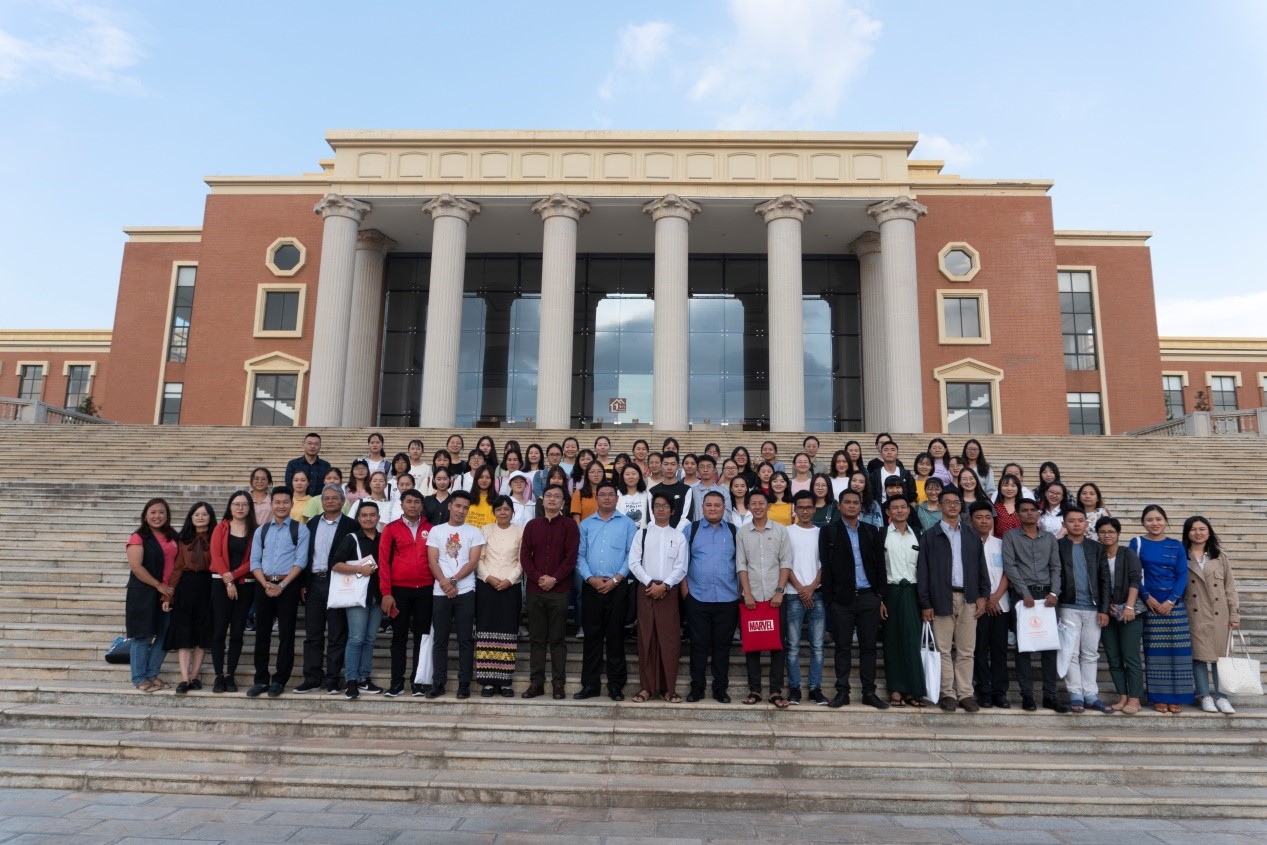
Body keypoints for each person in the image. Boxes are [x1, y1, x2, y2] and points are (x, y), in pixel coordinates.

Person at [916, 486, 989, 713]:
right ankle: (947, 693)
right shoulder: (930, 536)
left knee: (967, 650)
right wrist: (925, 603)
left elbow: (981, 568)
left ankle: (965, 693)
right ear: (940, 506)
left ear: (961, 506)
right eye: (947, 502)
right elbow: (923, 572)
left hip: (969, 599)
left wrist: (983, 596)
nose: (952, 506)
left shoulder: (971, 535)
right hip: (941, 599)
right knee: (943, 649)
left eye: (956, 502)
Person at [820, 488, 888, 709]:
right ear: (839, 506)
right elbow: (826, 567)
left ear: (860, 506)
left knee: (869, 647)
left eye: (855, 502)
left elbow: (880, 566)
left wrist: (879, 595)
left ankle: (869, 691)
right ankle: (842, 692)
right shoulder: (829, 532)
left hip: (868, 597)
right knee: (842, 647)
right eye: (847, 502)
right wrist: (831, 599)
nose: (851, 506)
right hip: (842, 600)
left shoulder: (871, 531)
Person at [1002, 498, 1067, 713]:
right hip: (1023, 596)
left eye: (1033, 510)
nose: (1029, 513)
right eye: (1024, 510)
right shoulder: (1010, 536)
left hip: (1048, 596)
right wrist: (1025, 593)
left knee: (1049, 646)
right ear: (1017, 514)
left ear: (1039, 514)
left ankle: (1050, 695)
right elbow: (1010, 566)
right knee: (1024, 647)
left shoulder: (1049, 538)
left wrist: (1054, 592)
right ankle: (1027, 696)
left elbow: (1056, 567)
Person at [575, 480, 638, 701]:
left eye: (611, 494)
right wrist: (590, 579)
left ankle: (615, 685)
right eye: (603, 494)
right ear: (596, 498)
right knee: (591, 637)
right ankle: (590, 685)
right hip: (591, 587)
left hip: (617, 587)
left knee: (615, 637)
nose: (607, 498)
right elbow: (579, 555)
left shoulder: (628, 524)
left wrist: (616, 579)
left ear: (617, 498)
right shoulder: (586, 525)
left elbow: (632, 555)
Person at [247, 486, 310, 698]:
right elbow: (254, 561)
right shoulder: (261, 530)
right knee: (261, 633)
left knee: (286, 634)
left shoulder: (301, 530)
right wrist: (265, 584)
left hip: (288, 585)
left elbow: (300, 561)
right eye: (277, 502)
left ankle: (280, 679)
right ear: (271, 504)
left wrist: (282, 586)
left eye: (285, 502)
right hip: (263, 584)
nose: (281, 506)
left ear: (291, 504)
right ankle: (261, 679)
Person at [294, 483, 356, 694]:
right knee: (313, 634)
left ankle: (332, 679)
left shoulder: (351, 525)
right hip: (313, 584)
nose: (330, 501)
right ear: (321, 502)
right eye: (326, 498)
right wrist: (303, 583)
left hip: (338, 584)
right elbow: (304, 555)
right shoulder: (311, 524)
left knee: (337, 634)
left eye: (334, 498)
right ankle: (312, 677)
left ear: (342, 501)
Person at [628, 490, 688, 703]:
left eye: (665, 506)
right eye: (657, 506)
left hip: (669, 592)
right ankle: (646, 688)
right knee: (647, 638)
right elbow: (633, 562)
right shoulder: (642, 534)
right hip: (646, 590)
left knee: (669, 640)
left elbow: (681, 567)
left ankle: (668, 688)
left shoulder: (678, 536)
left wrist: (665, 585)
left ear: (672, 511)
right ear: (652, 510)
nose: (661, 509)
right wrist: (649, 583)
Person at [520, 485, 579, 700]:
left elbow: (571, 558)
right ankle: (536, 682)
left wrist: (554, 578)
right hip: (535, 590)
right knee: (537, 639)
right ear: (542, 500)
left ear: (563, 502)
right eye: (549, 496)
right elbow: (524, 556)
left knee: (557, 639)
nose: (552, 499)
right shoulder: (532, 525)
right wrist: (539, 578)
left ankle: (558, 683)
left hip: (559, 590)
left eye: (557, 496)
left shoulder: (569, 525)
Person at [424, 490, 484, 699]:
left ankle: (464, 683)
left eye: (465, 507)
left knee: (465, 639)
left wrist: (454, 581)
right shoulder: (436, 531)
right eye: (458, 506)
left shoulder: (474, 532)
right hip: (440, 591)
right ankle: (438, 682)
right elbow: (432, 560)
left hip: (465, 590)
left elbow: (473, 562)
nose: (461, 510)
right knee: (440, 639)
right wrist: (445, 582)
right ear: (449, 506)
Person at [736, 488, 791, 708]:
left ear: (768, 506)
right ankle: (755, 690)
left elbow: (785, 562)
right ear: (748, 506)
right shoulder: (742, 532)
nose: (757, 507)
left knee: (778, 644)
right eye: (754, 503)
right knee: (752, 644)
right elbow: (741, 564)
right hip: (752, 597)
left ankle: (776, 691)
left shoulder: (780, 530)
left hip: (775, 597)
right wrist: (747, 593)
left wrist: (779, 591)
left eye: (761, 503)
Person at [1134, 504, 1192, 714]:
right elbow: (1134, 572)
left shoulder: (1176, 545)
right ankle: (1159, 697)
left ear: (1166, 521)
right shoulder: (1137, 543)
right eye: (1150, 519)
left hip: (1174, 606)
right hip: (1150, 606)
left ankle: (1177, 697)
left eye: (1158, 519)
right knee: (1155, 652)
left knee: (1179, 651)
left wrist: (1171, 600)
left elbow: (1182, 575)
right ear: (1143, 522)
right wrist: (1146, 597)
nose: (1154, 523)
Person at [684, 491, 740, 704]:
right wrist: (686, 595)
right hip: (697, 597)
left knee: (722, 646)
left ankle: (720, 688)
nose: (713, 509)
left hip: (728, 598)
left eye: (717, 505)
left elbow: (741, 564)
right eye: (709, 505)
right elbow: (682, 564)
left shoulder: (734, 531)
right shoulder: (691, 529)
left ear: (724, 508)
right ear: (703, 507)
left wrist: (739, 593)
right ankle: (697, 687)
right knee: (698, 645)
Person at [378, 489, 434, 697]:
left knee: (422, 637)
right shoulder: (391, 529)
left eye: (417, 502)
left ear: (422, 505)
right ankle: (396, 683)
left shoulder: (431, 528)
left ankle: (418, 682)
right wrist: (386, 592)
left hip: (425, 590)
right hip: (399, 591)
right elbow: (383, 562)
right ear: (401, 505)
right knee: (399, 638)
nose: (412, 505)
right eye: (408, 501)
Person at [1056, 507, 1112, 713]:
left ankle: (1090, 695)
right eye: (1072, 521)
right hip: (1068, 606)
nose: (1076, 524)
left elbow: (1105, 580)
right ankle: (1075, 694)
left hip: (1093, 608)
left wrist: (1104, 609)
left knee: (1090, 653)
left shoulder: (1096, 548)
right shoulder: (1058, 546)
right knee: (1070, 652)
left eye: (1080, 520)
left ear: (1087, 524)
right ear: (1064, 524)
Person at [1183, 515, 1240, 714]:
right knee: (1198, 657)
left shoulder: (1219, 556)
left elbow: (1230, 587)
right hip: (1194, 612)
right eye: (1193, 529)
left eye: (1202, 529)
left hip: (1219, 614)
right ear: (1187, 533)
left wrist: (1234, 615)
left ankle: (1222, 697)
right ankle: (1204, 696)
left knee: (1221, 658)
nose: (1198, 533)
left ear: (1209, 532)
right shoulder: (1182, 555)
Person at [163, 501, 216, 692]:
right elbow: (177, 568)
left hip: (208, 586)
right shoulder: (182, 539)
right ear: (191, 517)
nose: (200, 517)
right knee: (183, 634)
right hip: (185, 587)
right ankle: (184, 679)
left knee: (202, 634)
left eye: (204, 514)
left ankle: (195, 677)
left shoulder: (216, 537)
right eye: (196, 514)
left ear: (210, 517)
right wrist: (168, 596)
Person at [125, 498, 177, 691]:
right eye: (153, 512)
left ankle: (152, 674)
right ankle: (139, 678)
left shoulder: (173, 536)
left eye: (161, 512)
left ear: (167, 515)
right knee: (143, 636)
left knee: (165, 635)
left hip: (167, 593)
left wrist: (168, 590)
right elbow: (136, 567)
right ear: (145, 516)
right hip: (144, 593)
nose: (157, 516)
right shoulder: (138, 537)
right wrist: (158, 585)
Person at [332, 501, 382, 699]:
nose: (368, 518)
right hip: (356, 596)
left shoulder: (383, 538)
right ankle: (351, 679)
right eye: (364, 515)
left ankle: (364, 678)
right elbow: (335, 564)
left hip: (377, 596)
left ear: (378, 518)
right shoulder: (351, 538)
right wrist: (359, 569)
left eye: (372, 515)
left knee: (370, 639)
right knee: (356, 638)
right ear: (358, 518)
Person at [476, 495, 523, 697]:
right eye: (499, 509)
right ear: (494, 512)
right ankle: (487, 681)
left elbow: (522, 561)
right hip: (487, 586)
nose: (503, 512)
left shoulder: (520, 531)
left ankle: (505, 681)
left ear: (512, 511)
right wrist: (488, 577)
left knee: (508, 631)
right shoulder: (485, 530)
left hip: (510, 587)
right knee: (486, 630)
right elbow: (478, 559)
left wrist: (509, 580)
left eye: (506, 509)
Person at [209, 492, 256, 693]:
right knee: (219, 630)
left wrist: (234, 576)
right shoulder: (220, 528)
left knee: (237, 631)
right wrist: (228, 581)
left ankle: (230, 675)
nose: (240, 508)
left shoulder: (256, 530)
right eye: (236, 504)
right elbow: (216, 556)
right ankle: (219, 675)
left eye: (244, 504)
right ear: (230, 506)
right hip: (220, 584)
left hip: (245, 585)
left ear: (250, 508)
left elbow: (254, 560)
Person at [1096, 517, 1143, 714]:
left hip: (1129, 612)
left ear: (1118, 533)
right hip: (1108, 612)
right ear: (1097, 534)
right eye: (1103, 532)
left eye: (1111, 532)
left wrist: (1129, 607)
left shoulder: (1127, 553)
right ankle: (1122, 696)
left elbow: (1135, 580)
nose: (1107, 535)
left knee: (1130, 656)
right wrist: (1105, 606)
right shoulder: (1097, 554)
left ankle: (1135, 698)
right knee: (1113, 657)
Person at [784, 492, 825, 706]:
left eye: (809, 507)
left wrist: (811, 587)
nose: (805, 511)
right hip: (793, 595)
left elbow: (825, 564)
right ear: (795, 509)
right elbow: (785, 563)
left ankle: (815, 688)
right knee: (792, 646)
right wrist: (801, 589)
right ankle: (794, 688)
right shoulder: (786, 532)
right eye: (801, 507)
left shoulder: (821, 533)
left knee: (817, 646)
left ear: (815, 509)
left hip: (817, 594)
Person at [882, 494, 924, 707]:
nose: (899, 510)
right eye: (895, 507)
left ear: (909, 510)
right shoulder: (881, 534)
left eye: (903, 507)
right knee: (892, 642)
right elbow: (877, 568)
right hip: (891, 592)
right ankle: (896, 689)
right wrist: (880, 599)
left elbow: (925, 569)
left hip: (913, 593)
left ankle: (914, 689)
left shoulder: (918, 534)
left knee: (912, 641)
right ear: (888, 512)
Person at [971, 501, 1011, 709]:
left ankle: (999, 692)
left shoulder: (1001, 544)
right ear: (971, 520)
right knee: (979, 650)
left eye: (988, 517)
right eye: (979, 517)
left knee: (999, 650)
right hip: (977, 606)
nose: (984, 521)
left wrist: (995, 598)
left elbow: (1008, 573)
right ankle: (984, 691)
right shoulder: (967, 544)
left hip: (1000, 605)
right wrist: (985, 600)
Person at [650, 452, 693, 531]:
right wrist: (660, 532)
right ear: (661, 466)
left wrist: (674, 534)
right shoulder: (653, 491)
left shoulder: (686, 490)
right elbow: (651, 517)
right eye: (666, 464)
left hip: (679, 535)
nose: (669, 468)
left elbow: (686, 517)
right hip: (657, 534)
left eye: (673, 464)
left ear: (678, 467)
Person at [285, 432, 331, 497]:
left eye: (316, 444)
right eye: (309, 443)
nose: (312, 446)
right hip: (298, 500)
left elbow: (328, 485)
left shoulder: (326, 465)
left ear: (320, 446)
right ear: (303, 445)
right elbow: (289, 484)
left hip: (319, 500)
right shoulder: (293, 464)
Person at [692, 454, 729, 521]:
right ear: (697, 470)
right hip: (697, 527)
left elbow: (727, 514)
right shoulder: (692, 491)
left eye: (709, 467)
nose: (705, 470)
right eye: (702, 467)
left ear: (714, 470)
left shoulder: (723, 491)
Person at [571, 460, 608, 525]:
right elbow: (576, 520)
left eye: (599, 471)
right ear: (587, 475)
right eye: (592, 472)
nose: (596, 475)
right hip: (586, 530)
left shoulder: (609, 494)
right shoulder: (578, 494)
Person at [616, 463, 650, 528]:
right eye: (627, 474)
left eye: (634, 474)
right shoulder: (616, 494)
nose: (630, 477)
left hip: (642, 532)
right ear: (622, 477)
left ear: (639, 476)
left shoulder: (646, 495)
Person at [993, 473, 1023, 539]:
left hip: (1021, 543)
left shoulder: (1023, 508)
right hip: (1000, 543)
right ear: (1000, 488)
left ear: (1018, 488)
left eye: (1013, 486)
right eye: (1005, 485)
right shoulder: (995, 508)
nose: (1009, 489)